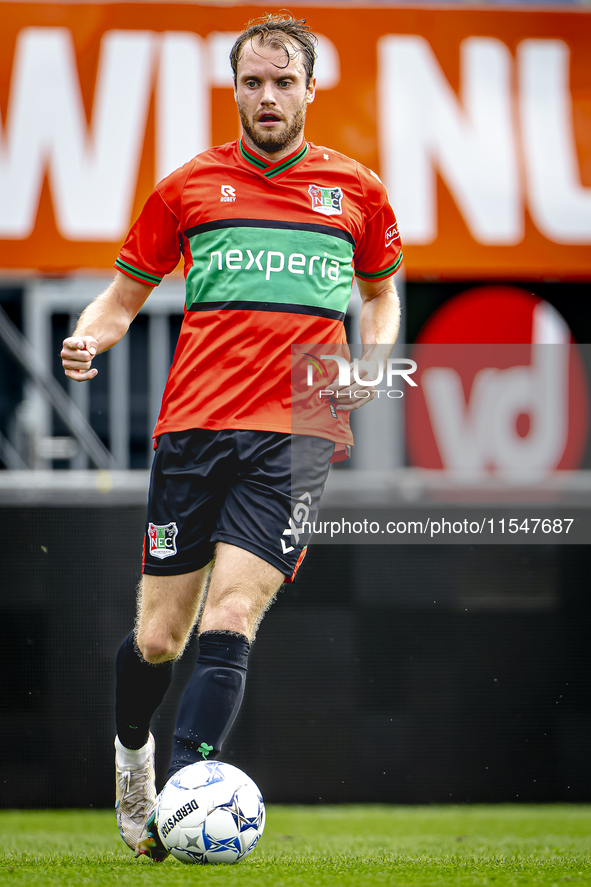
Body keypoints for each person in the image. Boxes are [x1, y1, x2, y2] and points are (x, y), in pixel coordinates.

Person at [61, 13, 402, 862]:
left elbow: (383, 295)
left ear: (310, 89)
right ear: (236, 89)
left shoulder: (355, 191)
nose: (268, 96)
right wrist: (88, 336)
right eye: (253, 82)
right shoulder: (188, 187)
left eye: (283, 82)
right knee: (156, 640)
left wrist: (373, 357)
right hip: (195, 429)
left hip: (298, 431)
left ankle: (186, 790)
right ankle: (133, 760)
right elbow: (120, 297)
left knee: (235, 611)